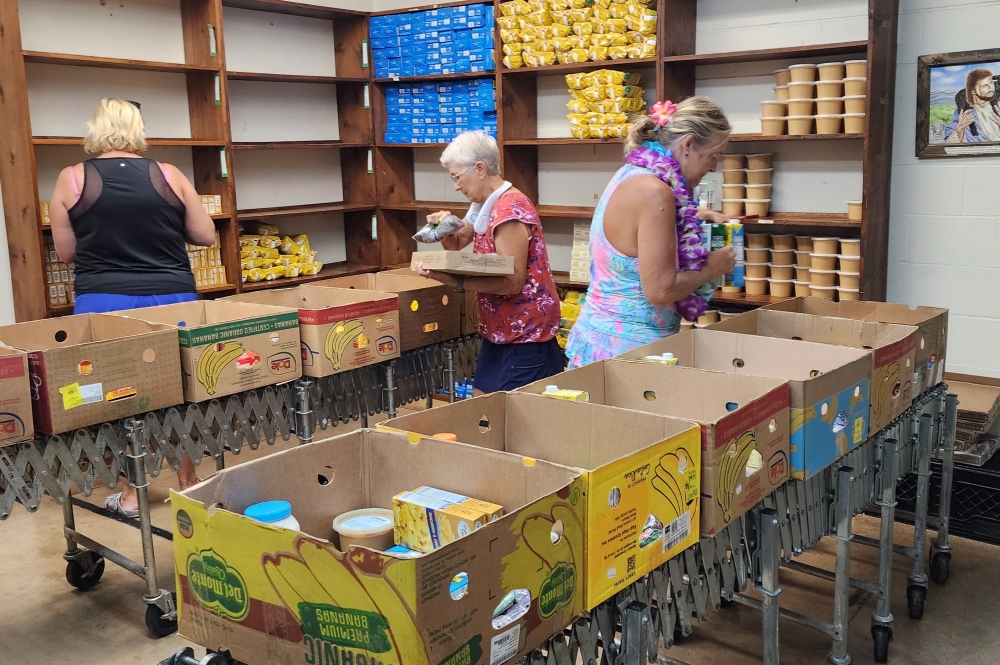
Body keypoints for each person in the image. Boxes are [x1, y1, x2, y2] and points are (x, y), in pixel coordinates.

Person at [48, 98, 217, 517]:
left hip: (104, 301)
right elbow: (206, 235)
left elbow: (66, 252)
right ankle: (188, 480)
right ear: (137, 129)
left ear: (94, 128)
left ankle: (129, 494)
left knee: (117, 395)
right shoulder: (169, 175)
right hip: (172, 296)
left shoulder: (70, 179)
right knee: (182, 390)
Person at [566, 97, 737, 369]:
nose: (714, 167)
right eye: (713, 156)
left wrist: (698, 214)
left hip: (600, 341)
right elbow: (660, 289)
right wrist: (712, 268)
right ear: (689, 145)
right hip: (627, 353)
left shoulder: (633, 174)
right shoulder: (656, 192)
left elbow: (635, 231)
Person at [413, 130, 562, 394]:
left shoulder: (510, 210)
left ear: (480, 169)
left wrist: (455, 281)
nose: (457, 186)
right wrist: (444, 227)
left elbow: (513, 282)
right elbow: (458, 241)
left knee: (511, 419)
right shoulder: (484, 204)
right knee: (484, 408)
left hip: (525, 334)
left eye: (457, 177)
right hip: (499, 332)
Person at [945, 68, 1000, 142]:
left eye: (991, 83)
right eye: (985, 86)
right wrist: (960, 128)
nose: (991, 88)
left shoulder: (998, 106)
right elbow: (947, 145)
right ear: (973, 91)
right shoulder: (962, 113)